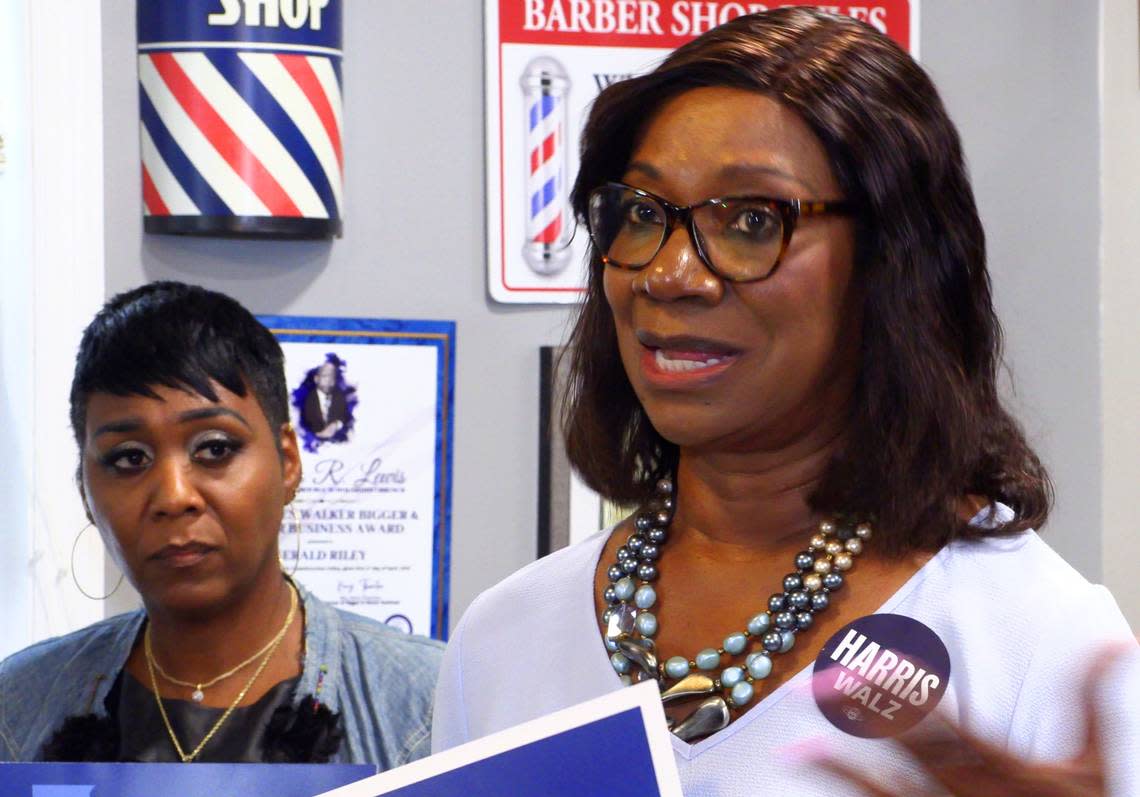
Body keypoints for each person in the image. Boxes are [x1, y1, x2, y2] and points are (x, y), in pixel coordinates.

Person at [431, 8, 1138, 795]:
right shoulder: (503, 638)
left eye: (750, 220)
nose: (670, 274)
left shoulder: (1037, 642)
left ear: (891, 265)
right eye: (641, 214)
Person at [0, 281, 442, 766]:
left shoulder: (427, 707)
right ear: (85, 490)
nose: (174, 496)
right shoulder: (17, 712)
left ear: (288, 461)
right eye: (129, 458)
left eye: (215, 448)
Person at [301, 360, 349, 441]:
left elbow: (345, 418)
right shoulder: (306, 400)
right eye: (325, 376)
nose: (329, 380)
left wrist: (336, 424)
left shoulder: (340, 398)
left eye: (332, 376)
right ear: (316, 379)